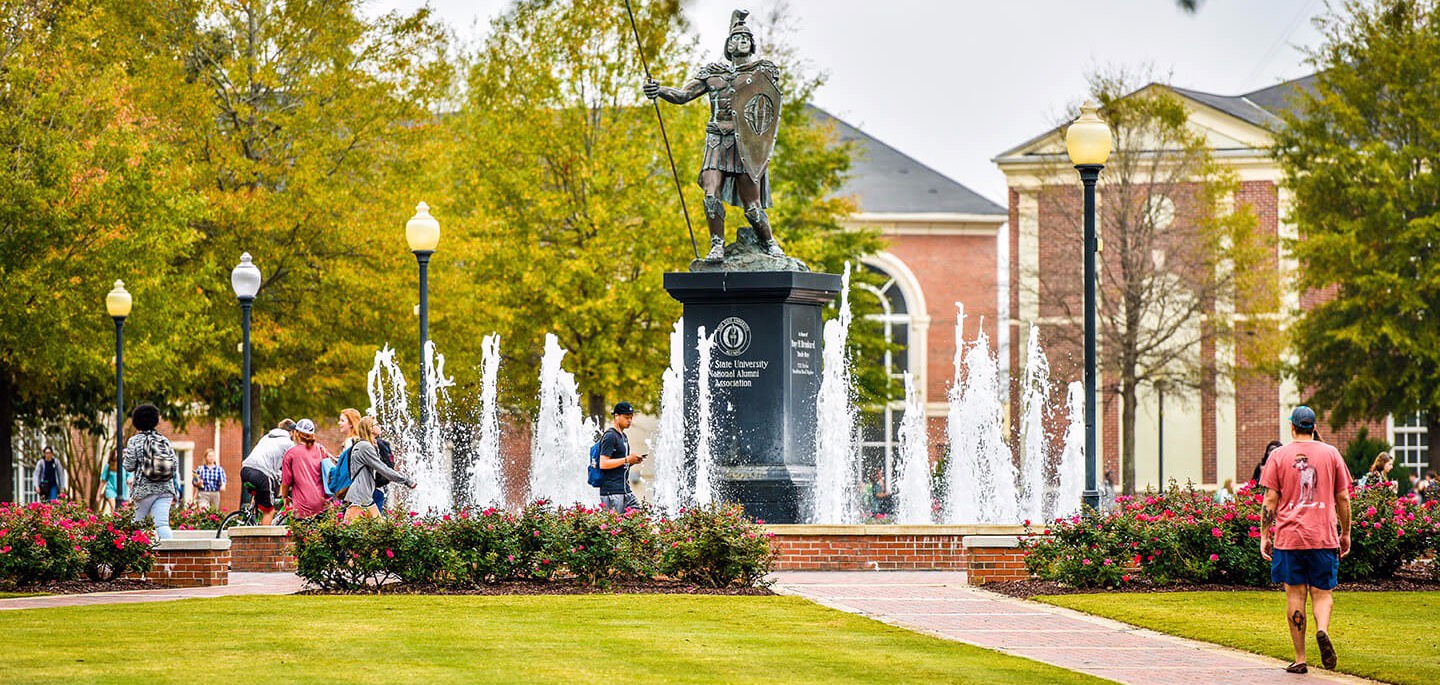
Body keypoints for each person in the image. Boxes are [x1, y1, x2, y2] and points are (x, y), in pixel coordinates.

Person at [644, 9, 787, 262]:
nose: (741, 42)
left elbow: (768, 102)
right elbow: (682, 95)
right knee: (710, 194)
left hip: (744, 143)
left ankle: (770, 242)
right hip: (716, 141)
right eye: (736, 38)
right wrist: (659, 90)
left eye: (745, 39)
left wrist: (739, 23)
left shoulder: (760, 73)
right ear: (727, 45)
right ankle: (717, 245)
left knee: (752, 206)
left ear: (751, 45)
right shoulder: (713, 75)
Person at [1259, 406, 1352, 674]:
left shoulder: (1278, 456)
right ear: (1313, 426)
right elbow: (1343, 497)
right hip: (1323, 535)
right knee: (1322, 594)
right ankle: (1322, 630)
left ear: (1292, 426)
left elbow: (1270, 500)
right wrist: (1345, 532)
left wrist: (1265, 535)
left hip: (1290, 538)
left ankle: (1300, 659)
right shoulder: (1331, 453)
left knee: (1295, 595)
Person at [341, 416, 415, 521]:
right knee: (346, 533)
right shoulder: (364, 447)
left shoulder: (370, 446)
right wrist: (405, 480)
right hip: (357, 498)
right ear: (370, 429)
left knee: (379, 533)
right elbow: (383, 468)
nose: (379, 426)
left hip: (366, 498)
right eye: (376, 424)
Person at [124, 403, 180, 540]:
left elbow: (129, 466)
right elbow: (175, 465)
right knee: (162, 524)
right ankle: (170, 557)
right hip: (165, 489)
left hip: (144, 491)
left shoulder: (135, 441)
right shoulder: (164, 440)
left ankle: (138, 557)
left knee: (137, 526)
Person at [240, 419, 296, 525]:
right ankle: (264, 540)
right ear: (291, 432)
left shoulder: (266, 437)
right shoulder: (289, 443)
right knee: (269, 511)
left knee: (259, 495)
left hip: (246, 470)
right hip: (261, 474)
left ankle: (251, 517)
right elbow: (293, 465)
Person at [595, 402, 645, 512]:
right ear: (616, 416)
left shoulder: (623, 437)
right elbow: (603, 464)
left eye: (631, 417)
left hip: (625, 490)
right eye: (626, 417)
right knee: (615, 527)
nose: (630, 421)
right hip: (612, 492)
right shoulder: (610, 436)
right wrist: (627, 459)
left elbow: (619, 464)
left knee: (637, 518)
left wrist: (632, 461)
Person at [280, 419, 330, 519]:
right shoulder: (321, 449)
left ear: (297, 433)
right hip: (323, 504)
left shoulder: (291, 453)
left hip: (302, 507)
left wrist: (285, 497)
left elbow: (286, 481)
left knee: (303, 534)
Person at [324, 408, 364, 500]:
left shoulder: (350, 441)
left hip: (349, 487)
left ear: (351, 424)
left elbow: (348, 468)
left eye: (342, 420)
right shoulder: (359, 440)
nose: (339, 423)